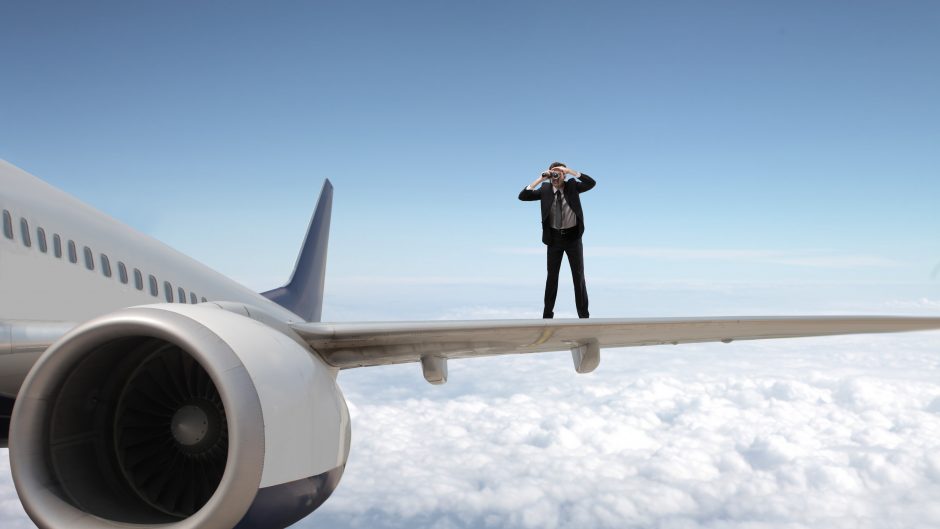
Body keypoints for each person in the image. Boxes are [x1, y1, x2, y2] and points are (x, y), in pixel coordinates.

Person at [518, 162, 595, 318]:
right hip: (554, 239)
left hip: (573, 237)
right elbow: (523, 196)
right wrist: (540, 178)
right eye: (552, 173)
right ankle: (547, 315)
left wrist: (571, 171)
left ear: (564, 175)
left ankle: (584, 316)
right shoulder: (545, 189)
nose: (555, 176)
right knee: (552, 277)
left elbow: (591, 183)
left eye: (558, 173)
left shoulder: (572, 186)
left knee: (578, 276)